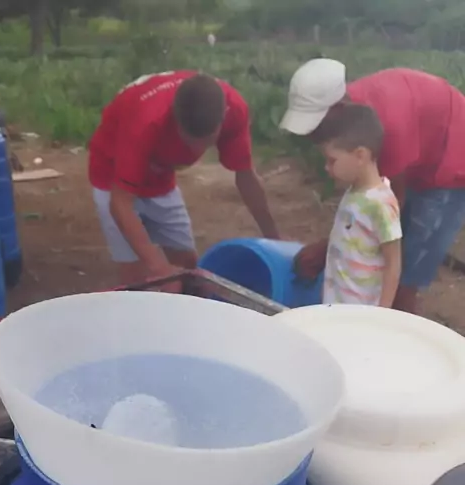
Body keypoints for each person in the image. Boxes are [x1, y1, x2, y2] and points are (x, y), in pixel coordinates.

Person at [281, 58, 465, 313]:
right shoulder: (358, 125)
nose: (313, 136)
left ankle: (396, 325)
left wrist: (326, 249)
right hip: (421, 146)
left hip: (453, 155)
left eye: (315, 126)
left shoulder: (390, 124)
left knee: (408, 270)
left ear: (338, 107)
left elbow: (392, 205)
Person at [89, 71, 279, 290]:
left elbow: (246, 176)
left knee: (188, 269)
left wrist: (274, 240)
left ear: (223, 117)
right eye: (188, 141)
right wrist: (159, 268)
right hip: (111, 174)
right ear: (174, 118)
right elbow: (120, 203)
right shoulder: (145, 121)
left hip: (161, 175)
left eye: (205, 143)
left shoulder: (234, 109)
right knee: (136, 279)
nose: (196, 150)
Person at [316, 103, 401, 307]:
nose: (326, 168)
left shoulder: (381, 204)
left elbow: (393, 263)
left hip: (360, 310)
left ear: (360, 155)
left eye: (332, 161)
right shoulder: (354, 192)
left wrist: (382, 313)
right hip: (337, 303)